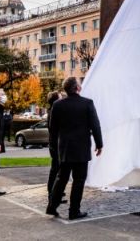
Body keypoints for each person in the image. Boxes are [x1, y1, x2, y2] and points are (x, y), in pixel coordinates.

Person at [46, 77, 103, 220]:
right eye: (79, 83)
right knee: (78, 180)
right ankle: (74, 211)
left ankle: (52, 206)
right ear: (77, 88)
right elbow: (95, 125)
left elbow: (53, 130)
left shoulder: (57, 105)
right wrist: (99, 144)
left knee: (61, 178)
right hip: (81, 148)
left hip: (64, 148)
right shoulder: (87, 103)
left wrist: (53, 147)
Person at [46, 91, 66, 204]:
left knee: (57, 170)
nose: (62, 98)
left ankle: (56, 194)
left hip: (55, 144)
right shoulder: (53, 111)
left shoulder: (54, 110)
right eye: (60, 97)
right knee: (55, 170)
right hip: (56, 145)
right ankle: (52, 195)